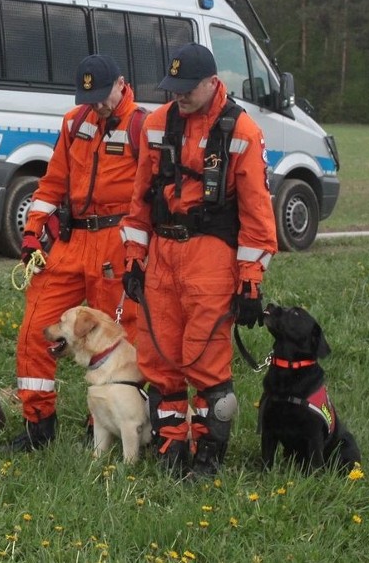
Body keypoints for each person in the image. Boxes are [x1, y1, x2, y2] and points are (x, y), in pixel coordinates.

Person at [119, 42, 277, 476]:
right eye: (174, 88)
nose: (180, 96)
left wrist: (250, 281)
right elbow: (139, 202)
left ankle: (208, 454)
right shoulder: (156, 123)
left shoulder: (241, 131)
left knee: (205, 360)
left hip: (211, 257)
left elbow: (258, 214)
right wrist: (134, 258)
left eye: (188, 88)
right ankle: (171, 448)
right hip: (163, 257)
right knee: (160, 357)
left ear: (214, 83)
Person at [4, 54, 142, 452]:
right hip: (71, 239)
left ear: (121, 83)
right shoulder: (75, 122)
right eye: (89, 98)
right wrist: (33, 233)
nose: (97, 105)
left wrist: (138, 249)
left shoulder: (140, 125)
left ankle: (101, 420)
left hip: (115, 243)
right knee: (36, 328)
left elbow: (148, 196)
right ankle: (38, 425)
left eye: (103, 97)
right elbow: (52, 183)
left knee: (118, 336)